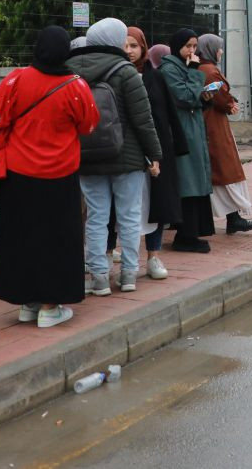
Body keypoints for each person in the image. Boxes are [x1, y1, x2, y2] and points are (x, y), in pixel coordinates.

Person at [0, 26, 99, 327]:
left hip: (17, 174)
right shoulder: (76, 86)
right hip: (59, 174)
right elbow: (88, 125)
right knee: (57, 240)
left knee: (21, 238)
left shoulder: (16, 78)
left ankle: (27, 303)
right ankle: (51, 307)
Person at [67, 17, 162, 295]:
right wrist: (153, 153)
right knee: (129, 216)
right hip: (127, 156)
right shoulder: (126, 71)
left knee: (96, 217)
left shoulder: (71, 71)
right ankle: (129, 275)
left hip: (87, 156)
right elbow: (143, 119)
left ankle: (98, 277)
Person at [125, 27, 186, 280]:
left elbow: (168, 114)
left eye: (134, 46)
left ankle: (153, 255)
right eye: (124, 46)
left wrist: (176, 147)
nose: (129, 51)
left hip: (156, 152)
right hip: (126, 154)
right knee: (125, 207)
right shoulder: (116, 75)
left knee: (156, 204)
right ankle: (116, 256)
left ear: (143, 48)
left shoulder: (155, 77)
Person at [158, 29, 217, 252]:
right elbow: (184, 96)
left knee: (195, 181)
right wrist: (194, 73)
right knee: (188, 183)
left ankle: (192, 232)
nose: (192, 52)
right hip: (182, 133)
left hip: (192, 130)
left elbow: (193, 98)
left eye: (195, 47)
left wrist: (205, 98)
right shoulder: (169, 69)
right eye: (188, 47)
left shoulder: (182, 67)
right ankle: (185, 235)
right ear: (177, 46)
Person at [197, 34, 252, 234]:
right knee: (225, 170)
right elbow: (222, 99)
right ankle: (234, 218)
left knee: (221, 171)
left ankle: (233, 217)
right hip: (214, 126)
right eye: (219, 48)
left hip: (212, 123)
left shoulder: (203, 68)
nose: (221, 51)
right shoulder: (209, 71)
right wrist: (230, 103)